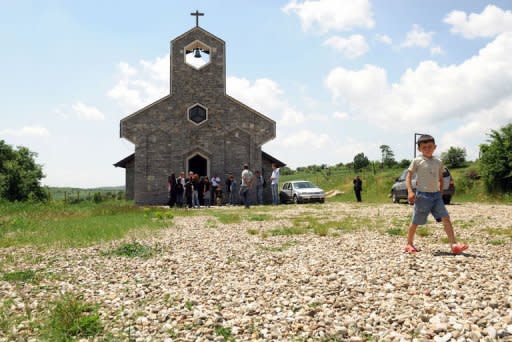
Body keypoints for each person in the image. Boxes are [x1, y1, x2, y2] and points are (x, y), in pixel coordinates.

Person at [404, 134, 469, 254]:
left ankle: (454, 245)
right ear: (419, 149)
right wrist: (410, 191)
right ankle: (409, 244)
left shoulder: (438, 162)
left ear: (435, 147)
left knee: (446, 218)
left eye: (430, 146)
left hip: (436, 196)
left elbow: (440, 178)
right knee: (416, 221)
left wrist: (441, 192)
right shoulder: (417, 161)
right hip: (422, 196)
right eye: (424, 147)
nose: (427, 149)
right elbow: (408, 177)